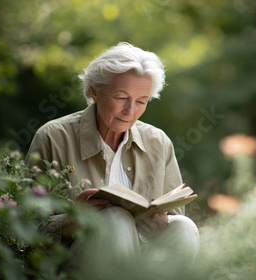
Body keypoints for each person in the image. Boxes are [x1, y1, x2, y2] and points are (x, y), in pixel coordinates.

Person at [25, 42, 200, 277]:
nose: (130, 111)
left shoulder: (159, 142)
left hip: (143, 265)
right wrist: (69, 222)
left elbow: (174, 216)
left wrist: (158, 226)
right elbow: (24, 226)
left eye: (141, 101)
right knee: (115, 218)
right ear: (95, 92)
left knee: (184, 227)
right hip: (75, 264)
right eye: (121, 97)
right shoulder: (54, 137)